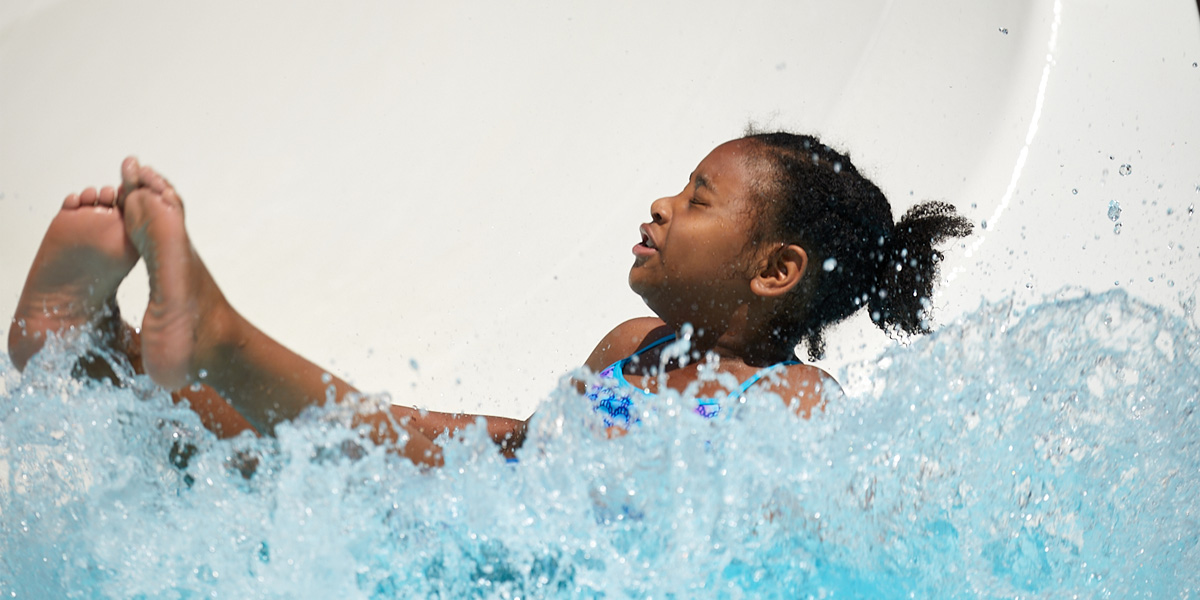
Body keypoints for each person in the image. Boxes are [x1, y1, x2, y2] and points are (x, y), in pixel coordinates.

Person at [7, 131, 972, 467]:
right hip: (510, 490)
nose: (662, 204)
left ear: (775, 271)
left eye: (699, 199)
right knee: (314, 445)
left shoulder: (797, 406)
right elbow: (528, 451)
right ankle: (93, 356)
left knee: (373, 449)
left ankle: (201, 336)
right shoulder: (632, 344)